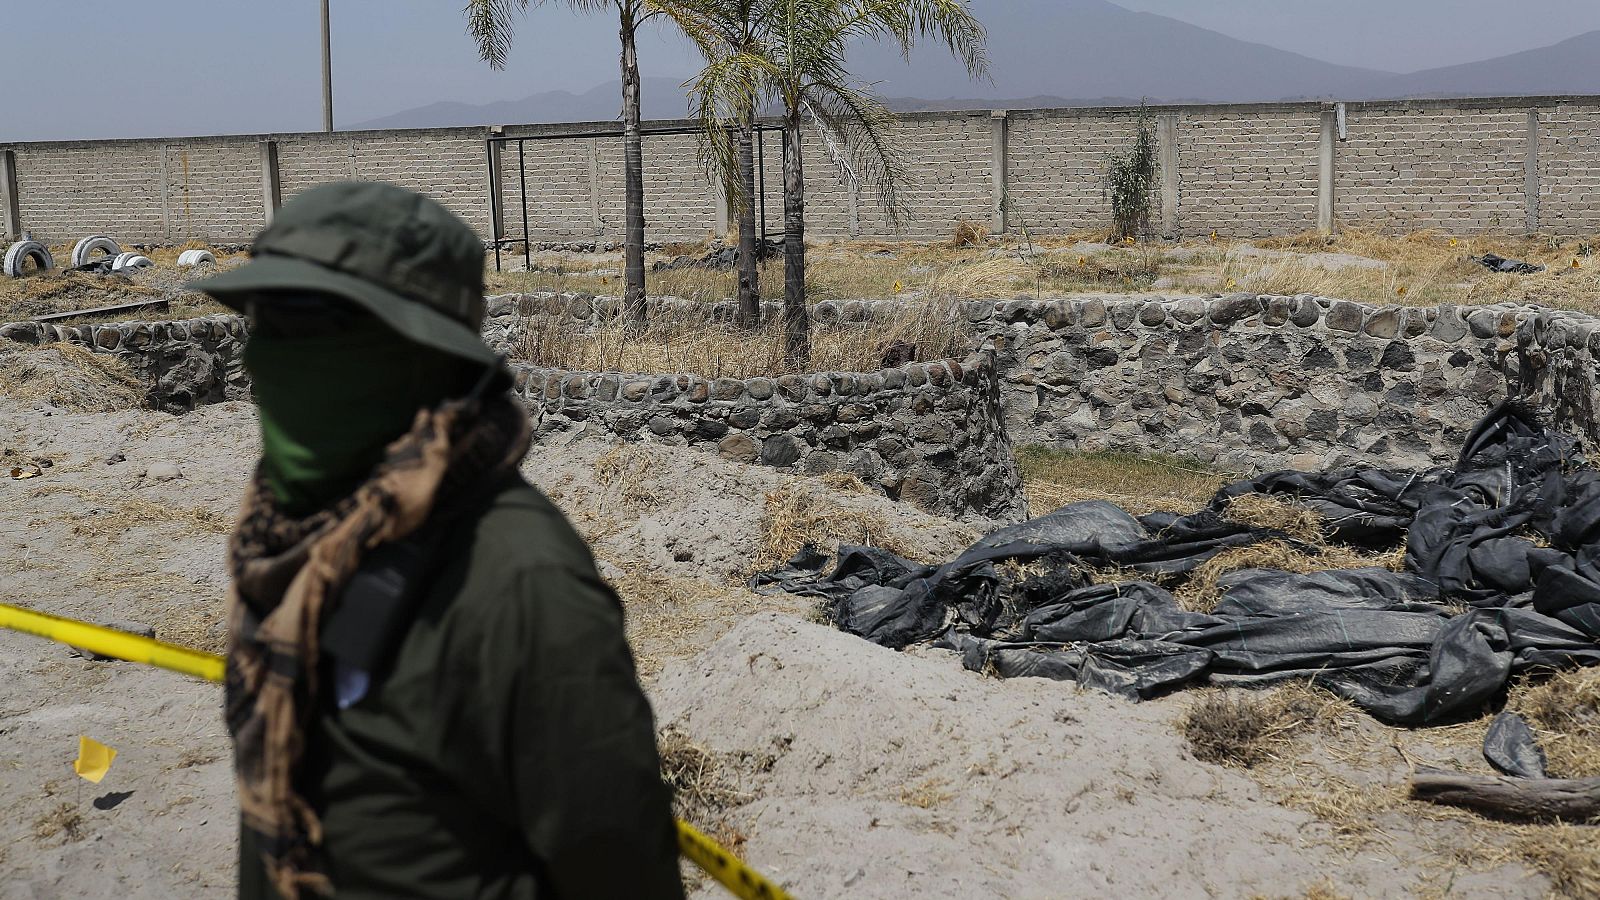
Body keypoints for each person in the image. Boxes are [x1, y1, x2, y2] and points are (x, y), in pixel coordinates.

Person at [194, 181, 684, 900]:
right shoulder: (288, 539)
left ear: (424, 356)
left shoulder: (522, 588)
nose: (278, 356)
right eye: (268, 320)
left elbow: (619, 869)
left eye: (323, 326)